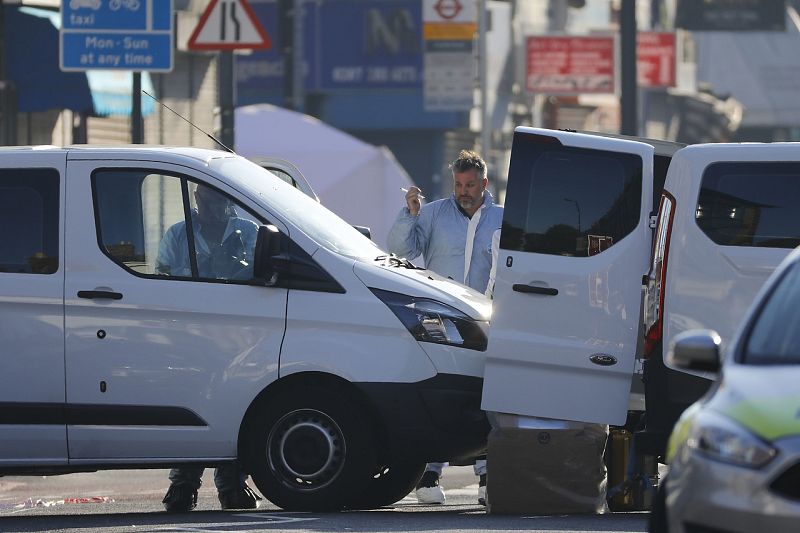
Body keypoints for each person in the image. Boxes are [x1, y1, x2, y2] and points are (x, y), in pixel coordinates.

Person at [387, 149, 503, 506]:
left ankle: (487, 479)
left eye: (470, 184)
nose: (463, 191)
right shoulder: (434, 212)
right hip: (440, 320)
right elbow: (400, 249)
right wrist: (409, 213)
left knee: (485, 398)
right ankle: (430, 473)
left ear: (484, 183)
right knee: (442, 393)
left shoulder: (503, 219)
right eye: (458, 184)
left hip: (487, 320)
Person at [156, 183, 262, 512]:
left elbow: (263, 274)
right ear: (197, 199)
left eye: (219, 200)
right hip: (191, 334)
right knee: (192, 408)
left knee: (237, 407)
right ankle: (183, 484)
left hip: (238, 334)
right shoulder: (178, 235)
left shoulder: (248, 232)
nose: (214, 206)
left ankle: (232, 484)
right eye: (207, 199)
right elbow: (161, 277)